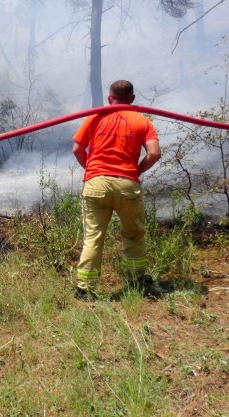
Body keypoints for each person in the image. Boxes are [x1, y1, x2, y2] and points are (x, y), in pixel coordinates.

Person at [72, 80, 161, 300]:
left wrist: (92, 170)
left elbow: (77, 148)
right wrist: (137, 171)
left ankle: (85, 289)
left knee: (93, 237)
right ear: (132, 99)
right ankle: (137, 280)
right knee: (133, 234)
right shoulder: (143, 121)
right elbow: (154, 154)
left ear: (110, 98)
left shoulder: (95, 116)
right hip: (127, 185)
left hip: (96, 184)